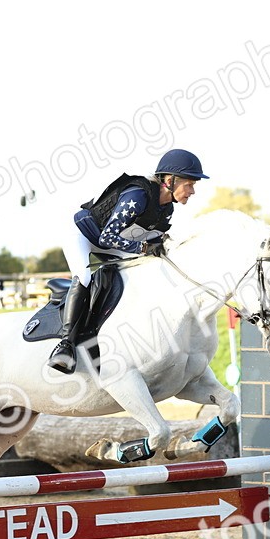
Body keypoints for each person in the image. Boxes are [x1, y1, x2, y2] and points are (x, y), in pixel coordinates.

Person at [47, 148, 208, 374]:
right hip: (83, 234)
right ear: (170, 180)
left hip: (111, 243)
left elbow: (152, 241)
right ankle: (65, 345)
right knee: (84, 277)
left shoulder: (167, 209)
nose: (192, 191)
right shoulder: (138, 196)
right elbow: (107, 237)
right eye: (189, 184)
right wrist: (143, 247)